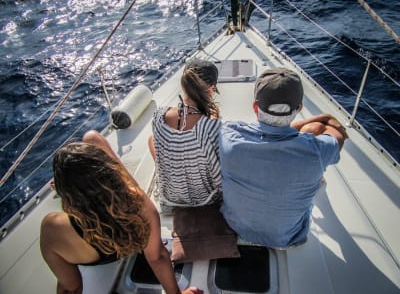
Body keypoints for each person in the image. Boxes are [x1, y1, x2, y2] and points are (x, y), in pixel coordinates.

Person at [40, 130, 202, 294]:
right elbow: (157, 257)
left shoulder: (51, 228)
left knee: (91, 139)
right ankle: (93, 181)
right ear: (109, 173)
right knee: (92, 137)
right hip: (130, 236)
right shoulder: (139, 205)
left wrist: (70, 189)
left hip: (91, 253)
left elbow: (72, 286)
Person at [218, 67, 348, 249]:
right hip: (285, 238)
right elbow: (339, 134)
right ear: (299, 108)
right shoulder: (317, 151)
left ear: (255, 107)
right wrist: (324, 118)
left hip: (236, 227)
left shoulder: (228, 135)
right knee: (314, 131)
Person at [148, 59, 222, 211]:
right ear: (211, 89)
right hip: (206, 200)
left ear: (183, 85)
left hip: (170, 197)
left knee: (151, 139)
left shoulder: (159, 117)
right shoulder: (211, 126)